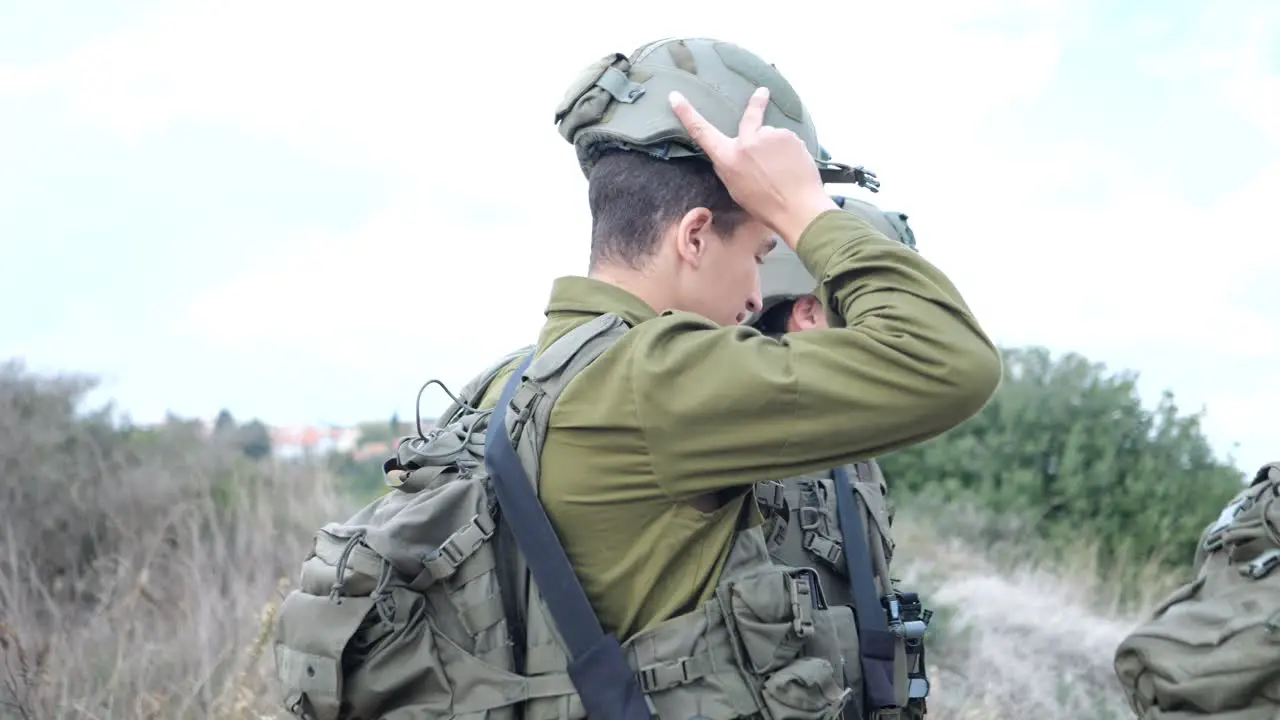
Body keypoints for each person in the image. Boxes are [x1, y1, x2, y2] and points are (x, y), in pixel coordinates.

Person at [747, 195, 933, 718]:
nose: (889, 341)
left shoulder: (843, 445)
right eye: (873, 316)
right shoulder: (737, 439)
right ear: (809, 312)